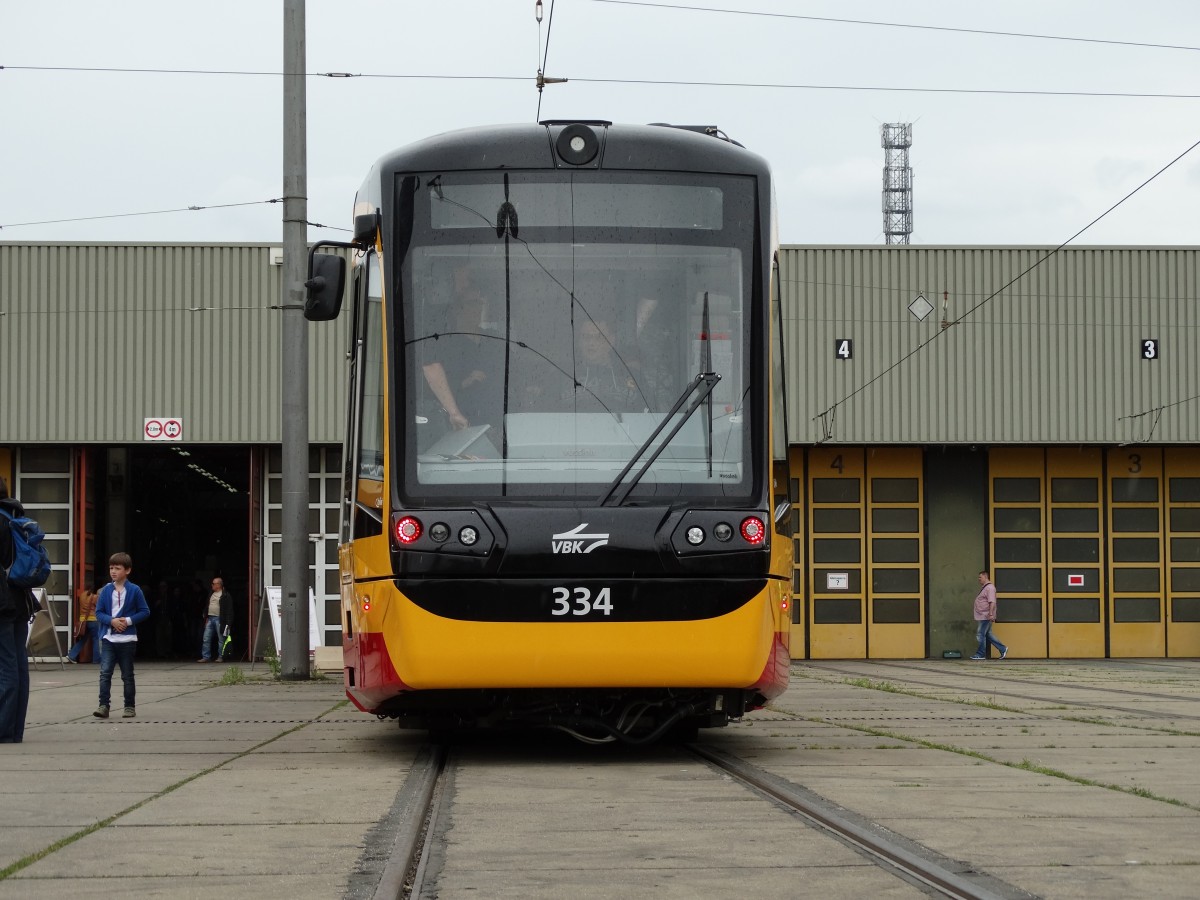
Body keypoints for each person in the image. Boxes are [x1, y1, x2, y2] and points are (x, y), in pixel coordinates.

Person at [421, 266, 504, 432]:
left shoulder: (497, 342)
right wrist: (464, 383)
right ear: (457, 308)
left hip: (496, 422)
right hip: (458, 425)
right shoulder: (445, 344)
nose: (478, 308)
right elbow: (429, 386)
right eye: (473, 303)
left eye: (482, 304)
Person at [0, 478, 38, 744]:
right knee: (18, 666)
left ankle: (3, 728)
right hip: (20, 601)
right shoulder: (14, 518)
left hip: (2, 603)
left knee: (5, 667)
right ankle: (14, 730)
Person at [93, 552, 151, 719]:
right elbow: (99, 613)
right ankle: (103, 705)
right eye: (111, 568)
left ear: (127, 570)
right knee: (105, 673)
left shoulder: (135, 590)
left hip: (127, 640)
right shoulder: (105, 590)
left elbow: (144, 611)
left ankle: (129, 706)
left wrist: (128, 621)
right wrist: (112, 621)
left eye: (117, 568)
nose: (113, 571)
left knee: (127, 674)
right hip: (108, 639)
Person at [971, 569, 1008, 660]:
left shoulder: (990, 588)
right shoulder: (985, 587)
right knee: (988, 634)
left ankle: (980, 654)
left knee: (980, 634)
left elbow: (992, 602)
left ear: (985, 577)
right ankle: (1003, 648)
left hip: (986, 615)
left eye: (980, 577)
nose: (979, 579)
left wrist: (990, 614)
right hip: (984, 615)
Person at [198, 576, 233, 663]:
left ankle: (221, 656)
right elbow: (207, 605)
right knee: (206, 638)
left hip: (219, 620)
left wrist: (228, 623)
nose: (211, 585)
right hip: (210, 618)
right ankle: (206, 656)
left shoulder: (225, 595)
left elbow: (229, 610)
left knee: (221, 639)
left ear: (218, 585)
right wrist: (205, 616)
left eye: (213, 584)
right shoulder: (211, 594)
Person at [67, 582, 99, 664]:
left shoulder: (81, 595)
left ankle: (71, 655)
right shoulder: (95, 597)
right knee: (96, 639)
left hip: (83, 621)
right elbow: (99, 607)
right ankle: (96, 659)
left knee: (83, 639)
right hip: (93, 620)